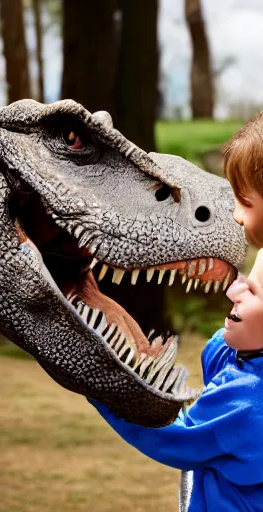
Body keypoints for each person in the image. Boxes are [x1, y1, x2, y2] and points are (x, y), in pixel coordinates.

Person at [89, 114, 263, 512]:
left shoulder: (247, 404)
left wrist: (105, 384)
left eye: (245, 201)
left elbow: (173, 437)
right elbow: (222, 357)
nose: (233, 287)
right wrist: (235, 337)